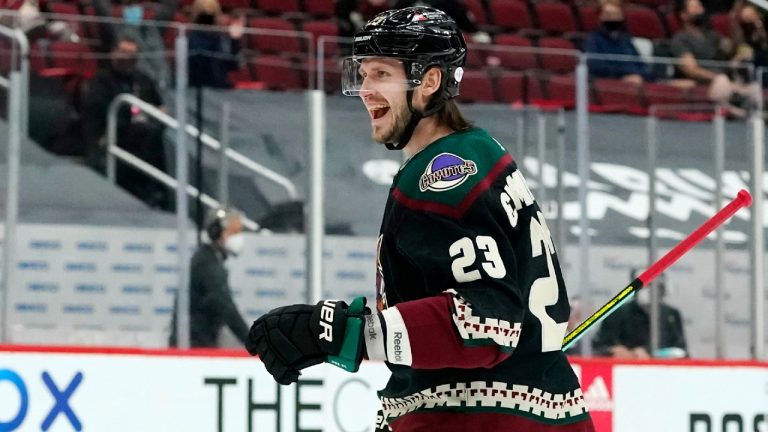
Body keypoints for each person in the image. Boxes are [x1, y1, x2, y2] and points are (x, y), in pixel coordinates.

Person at [246, 7, 595, 432]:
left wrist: (345, 334)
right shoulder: (479, 152)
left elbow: (488, 322)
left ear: (429, 81)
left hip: (479, 421)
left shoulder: (443, 173)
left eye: (380, 74)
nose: (365, 90)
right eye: (363, 74)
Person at [79, 35, 168, 208]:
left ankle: (157, 191)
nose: (126, 58)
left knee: (156, 136)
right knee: (144, 134)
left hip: (144, 136)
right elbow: (98, 111)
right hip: (111, 135)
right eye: (123, 52)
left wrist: (157, 111)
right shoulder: (101, 81)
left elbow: (160, 106)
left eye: (131, 55)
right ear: (113, 53)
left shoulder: (143, 80)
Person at [169, 208, 250, 347]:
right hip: (192, 346)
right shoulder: (206, 264)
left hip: (198, 342)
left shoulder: (210, 260)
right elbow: (224, 306)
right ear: (217, 232)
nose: (238, 237)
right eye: (234, 232)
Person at [671, 0, 759, 112]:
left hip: (728, 81)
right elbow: (691, 70)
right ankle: (730, 112)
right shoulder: (680, 39)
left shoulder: (713, 36)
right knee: (722, 82)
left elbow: (732, 47)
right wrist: (717, 77)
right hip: (706, 84)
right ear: (683, 15)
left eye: (700, 6)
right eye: (695, 7)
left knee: (755, 89)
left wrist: (735, 21)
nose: (700, 9)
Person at [592, 273, 688, 359]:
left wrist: (655, 354)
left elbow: (682, 352)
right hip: (627, 369)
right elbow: (598, 349)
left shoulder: (671, 315)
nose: (651, 290)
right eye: (646, 285)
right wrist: (613, 351)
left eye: (656, 286)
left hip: (663, 370)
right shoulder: (617, 313)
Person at [93, 0, 178, 90]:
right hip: (133, 84)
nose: (133, 8)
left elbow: (169, 7)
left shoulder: (153, 29)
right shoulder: (117, 30)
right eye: (129, 5)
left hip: (160, 84)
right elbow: (102, 9)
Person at [584, 0, 652, 84]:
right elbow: (595, 65)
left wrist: (641, 76)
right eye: (609, 15)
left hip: (635, 83)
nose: (612, 18)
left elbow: (640, 64)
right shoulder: (594, 39)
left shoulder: (625, 39)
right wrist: (623, 75)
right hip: (610, 84)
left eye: (616, 15)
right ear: (601, 16)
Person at [188, 0, 245, 88]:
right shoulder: (193, 38)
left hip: (219, 88)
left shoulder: (223, 38)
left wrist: (234, 40)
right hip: (200, 89)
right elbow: (202, 64)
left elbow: (235, 65)